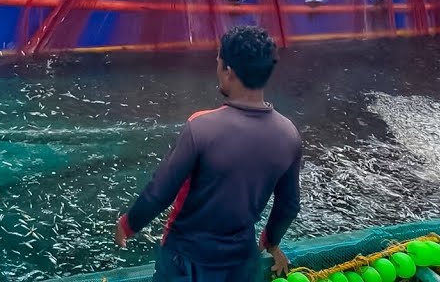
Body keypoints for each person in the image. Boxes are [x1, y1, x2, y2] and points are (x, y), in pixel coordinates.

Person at [115, 26, 301, 281]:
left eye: (218, 62)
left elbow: (160, 192)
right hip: (241, 263)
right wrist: (271, 241)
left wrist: (128, 224)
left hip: (186, 261)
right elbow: (289, 205)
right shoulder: (289, 134)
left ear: (228, 71)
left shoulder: (201, 127)